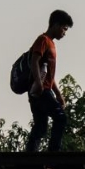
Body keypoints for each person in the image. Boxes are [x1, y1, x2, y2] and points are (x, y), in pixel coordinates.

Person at [25, 10, 73, 153]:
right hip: (40, 91)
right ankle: (54, 154)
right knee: (61, 118)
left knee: (40, 126)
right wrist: (39, 84)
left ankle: (30, 157)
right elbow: (34, 61)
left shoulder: (51, 44)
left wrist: (58, 94)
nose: (65, 33)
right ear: (56, 25)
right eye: (64, 28)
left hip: (42, 89)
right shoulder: (43, 40)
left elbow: (50, 76)